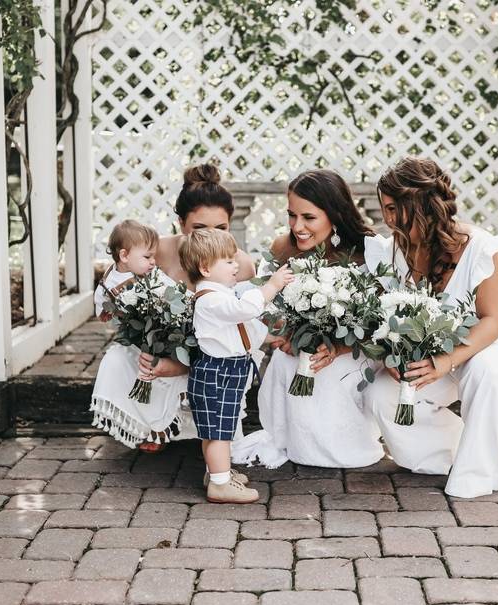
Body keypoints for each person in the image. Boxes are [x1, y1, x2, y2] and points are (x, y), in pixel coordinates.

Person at [363, 157, 498, 498]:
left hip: (485, 346)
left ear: (421, 204)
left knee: (484, 371)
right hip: (432, 354)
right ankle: (459, 452)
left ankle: (477, 473)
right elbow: (389, 314)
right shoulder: (396, 251)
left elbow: (493, 321)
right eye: (385, 209)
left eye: (394, 208)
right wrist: (395, 357)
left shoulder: (482, 249)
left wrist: (446, 361)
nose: (388, 219)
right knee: (381, 394)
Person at [232, 169, 385, 469]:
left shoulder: (370, 250)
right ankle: (296, 440)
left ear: (335, 214)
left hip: (354, 350)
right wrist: (286, 334)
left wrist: (337, 348)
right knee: (288, 361)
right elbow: (267, 308)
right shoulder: (282, 248)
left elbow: (379, 321)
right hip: (299, 346)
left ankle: (340, 443)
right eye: (292, 215)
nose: (297, 226)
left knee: (322, 369)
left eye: (308, 217)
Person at [134, 164, 257, 452]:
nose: (210, 239)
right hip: (168, 340)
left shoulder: (242, 264)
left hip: (216, 352)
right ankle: (156, 421)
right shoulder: (160, 250)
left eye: (222, 228)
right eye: (199, 229)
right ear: (181, 223)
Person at [180, 228, 294, 503]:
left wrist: (269, 338)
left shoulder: (221, 296)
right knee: (219, 432)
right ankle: (219, 486)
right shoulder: (210, 299)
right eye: (228, 260)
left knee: (218, 430)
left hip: (225, 370)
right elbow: (245, 311)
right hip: (218, 371)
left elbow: (241, 329)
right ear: (206, 268)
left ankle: (217, 473)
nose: (236, 265)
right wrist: (272, 286)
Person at [90, 220, 183, 448]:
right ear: (124, 256)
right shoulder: (110, 283)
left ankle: (163, 424)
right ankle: (144, 426)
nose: (153, 262)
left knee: (160, 372)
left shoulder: (151, 276)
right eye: (147, 257)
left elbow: (176, 296)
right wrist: (114, 314)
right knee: (131, 369)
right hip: (136, 341)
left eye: (154, 257)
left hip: (163, 338)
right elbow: (102, 310)